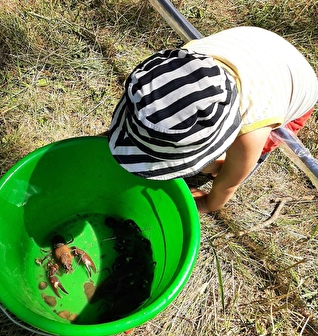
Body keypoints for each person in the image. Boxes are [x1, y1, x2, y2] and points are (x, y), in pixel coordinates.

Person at [107, 26, 318, 213]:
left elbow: (229, 185)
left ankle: (220, 164)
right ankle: (214, 161)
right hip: (255, 43)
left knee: (243, 161)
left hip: (295, 83)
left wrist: (209, 203)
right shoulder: (175, 68)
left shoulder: (253, 126)